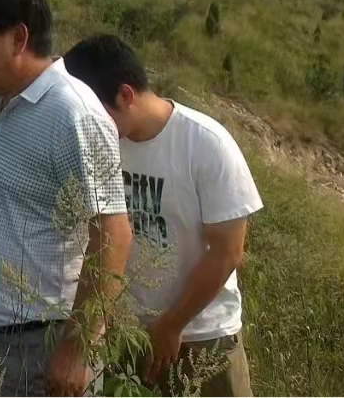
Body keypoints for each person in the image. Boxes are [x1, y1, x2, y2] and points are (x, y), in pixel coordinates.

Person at [0, 0, 132, 396]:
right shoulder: (3, 103)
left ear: (17, 38)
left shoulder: (72, 113)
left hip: (38, 343)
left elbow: (113, 234)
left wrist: (77, 348)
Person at [63, 35, 263, 397]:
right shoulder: (103, 144)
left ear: (125, 95)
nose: (90, 125)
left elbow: (227, 252)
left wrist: (171, 325)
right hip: (126, 335)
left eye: (96, 113)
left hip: (203, 338)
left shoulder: (206, 144)